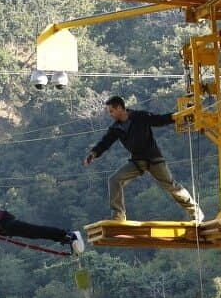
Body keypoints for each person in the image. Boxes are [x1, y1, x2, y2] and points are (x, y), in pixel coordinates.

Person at [83, 95, 203, 223]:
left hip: (153, 159)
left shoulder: (139, 116)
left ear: (119, 108)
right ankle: (118, 215)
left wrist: (177, 116)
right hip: (137, 161)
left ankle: (196, 212)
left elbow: (158, 120)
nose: (110, 115)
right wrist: (93, 154)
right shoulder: (116, 128)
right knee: (114, 180)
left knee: (172, 186)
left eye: (111, 111)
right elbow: (105, 142)